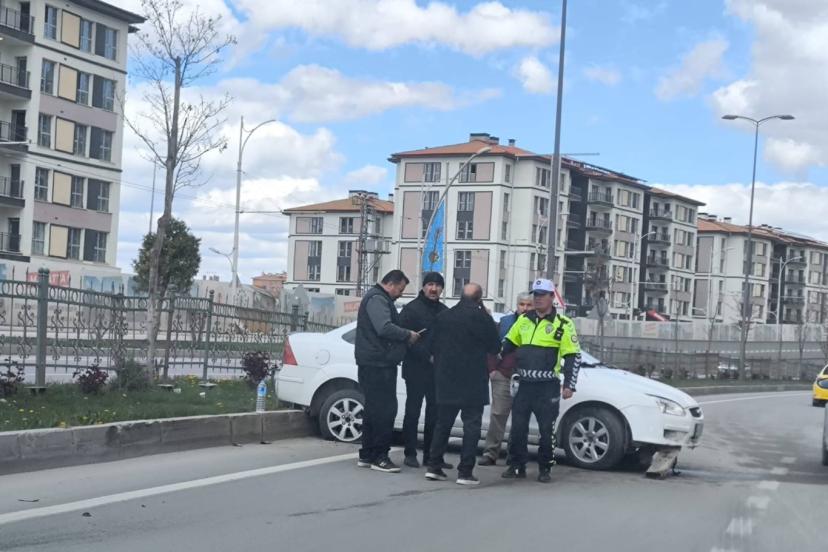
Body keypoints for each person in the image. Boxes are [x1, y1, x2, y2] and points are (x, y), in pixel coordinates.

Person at [501, 278, 581, 483]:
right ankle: (516, 465)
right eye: (535, 295)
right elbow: (507, 345)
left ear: (552, 297)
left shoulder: (563, 324)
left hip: (547, 387)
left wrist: (569, 385)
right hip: (524, 384)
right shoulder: (523, 320)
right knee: (518, 428)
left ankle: (545, 468)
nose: (537, 299)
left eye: (542, 295)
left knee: (546, 430)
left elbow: (573, 356)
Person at [426, 283, 501, 486]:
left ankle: (433, 466)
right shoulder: (482, 318)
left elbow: (431, 345)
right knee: (472, 425)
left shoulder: (443, 317)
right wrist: (487, 316)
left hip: (446, 378)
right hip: (473, 379)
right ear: (479, 299)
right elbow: (495, 347)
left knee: (443, 423)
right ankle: (465, 472)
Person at [354, 270, 419, 473]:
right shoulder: (377, 299)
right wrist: (407, 335)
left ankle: (367, 454)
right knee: (385, 410)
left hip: (376, 362)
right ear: (391, 284)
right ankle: (380, 456)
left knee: (374, 409)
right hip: (378, 364)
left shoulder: (376, 298)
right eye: (400, 289)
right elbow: (384, 327)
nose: (400, 294)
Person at [398, 272, 450, 469]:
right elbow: (405, 339)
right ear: (423, 286)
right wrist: (427, 355)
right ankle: (410, 453)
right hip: (415, 369)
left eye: (437, 285)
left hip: (438, 372)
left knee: (435, 415)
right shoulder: (411, 309)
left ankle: (431, 456)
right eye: (430, 284)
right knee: (413, 411)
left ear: (442, 289)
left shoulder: (445, 312)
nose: (433, 289)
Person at [478, 292, 534, 466]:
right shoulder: (505, 322)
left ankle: (514, 456)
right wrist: (492, 370)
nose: (525, 308)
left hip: (527, 378)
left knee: (521, 418)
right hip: (503, 374)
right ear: (517, 305)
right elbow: (492, 346)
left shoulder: (538, 324)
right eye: (522, 304)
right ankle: (490, 452)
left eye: (529, 305)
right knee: (498, 415)